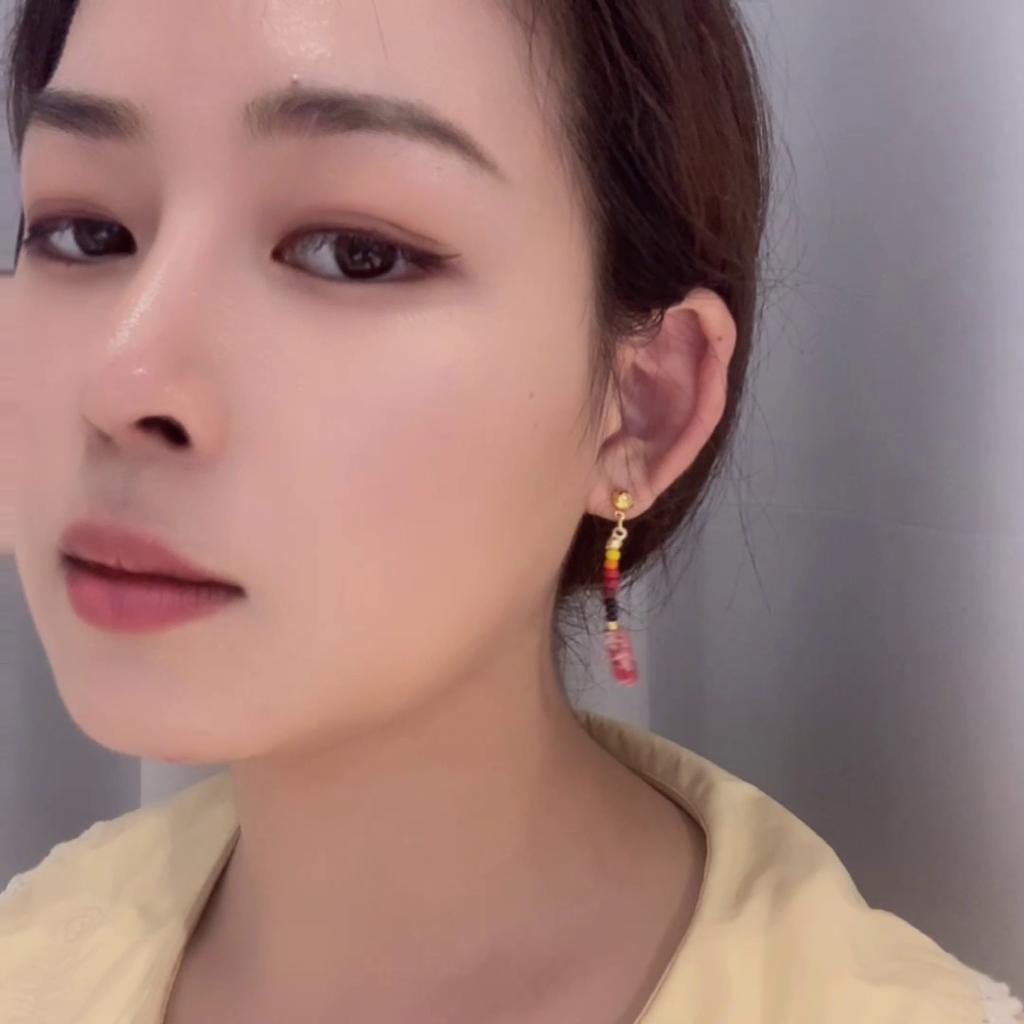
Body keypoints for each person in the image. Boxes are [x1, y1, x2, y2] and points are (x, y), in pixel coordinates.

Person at [0, 0, 1019, 1021]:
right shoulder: (37, 944)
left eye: (354, 252)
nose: (121, 382)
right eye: (85, 234)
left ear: (644, 408)